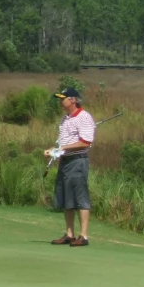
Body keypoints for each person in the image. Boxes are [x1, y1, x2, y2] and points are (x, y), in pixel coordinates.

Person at [46, 86, 95, 247]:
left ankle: (84, 236)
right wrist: (55, 150)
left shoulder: (84, 117)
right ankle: (69, 234)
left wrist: (62, 149)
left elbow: (85, 142)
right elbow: (63, 141)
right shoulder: (65, 118)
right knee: (67, 197)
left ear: (73, 100)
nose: (61, 102)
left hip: (78, 161)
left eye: (63, 99)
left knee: (80, 197)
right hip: (65, 161)